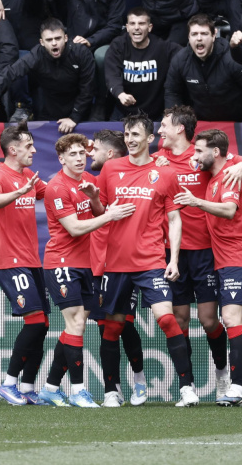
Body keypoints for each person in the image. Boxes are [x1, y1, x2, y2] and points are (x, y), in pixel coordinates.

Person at [155, 105, 242, 405]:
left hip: (207, 252)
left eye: (163, 125)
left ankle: (222, 376)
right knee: (179, 318)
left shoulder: (205, 154)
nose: (159, 130)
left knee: (210, 320)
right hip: (174, 251)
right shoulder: (158, 160)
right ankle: (187, 387)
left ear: (179, 128)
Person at [94, 113, 199, 407]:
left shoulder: (165, 172)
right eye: (127, 135)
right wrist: (95, 201)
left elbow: (175, 218)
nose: (130, 140)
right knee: (112, 327)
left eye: (136, 135)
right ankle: (112, 390)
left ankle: (187, 388)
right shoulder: (111, 169)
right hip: (115, 263)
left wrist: (174, 259)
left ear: (150, 139)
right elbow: (100, 208)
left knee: (167, 319)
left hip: (151, 260)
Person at [174, 129, 242, 407]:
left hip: (236, 255)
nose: (194, 157)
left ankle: (236, 387)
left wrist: (195, 202)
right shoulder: (218, 170)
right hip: (223, 257)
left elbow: (229, 210)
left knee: (230, 318)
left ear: (215, 152)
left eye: (198, 151)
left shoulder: (229, 174)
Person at [36, 133, 135, 408]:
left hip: (86, 264)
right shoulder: (56, 187)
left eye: (82, 153)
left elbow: (97, 213)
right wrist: (109, 215)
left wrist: (95, 201)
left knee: (75, 326)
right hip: (61, 262)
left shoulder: (89, 182)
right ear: (61, 158)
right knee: (76, 324)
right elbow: (75, 228)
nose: (79, 158)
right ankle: (78, 390)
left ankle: (50, 388)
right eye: (73, 154)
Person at [0, 121, 50, 406]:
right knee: (35, 322)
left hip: (32, 260)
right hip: (10, 262)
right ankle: (8, 383)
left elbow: (55, 192)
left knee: (44, 323)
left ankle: (26, 387)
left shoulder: (29, 178)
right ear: (12, 150)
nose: (34, 150)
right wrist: (20, 191)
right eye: (28, 146)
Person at [87, 129, 148, 407]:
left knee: (124, 325)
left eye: (94, 149)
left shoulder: (130, 176)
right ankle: (112, 389)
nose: (89, 154)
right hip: (95, 266)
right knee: (105, 328)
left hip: (124, 265)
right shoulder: (89, 181)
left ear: (110, 154)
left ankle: (140, 381)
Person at [165, 14, 242, 147]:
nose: (199, 38)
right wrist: (175, 125)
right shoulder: (180, 60)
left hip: (239, 125)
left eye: (204, 33)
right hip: (202, 127)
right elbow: (172, 92)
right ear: (188, 37)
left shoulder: (232, 58)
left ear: (214, 35)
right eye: (194, 34)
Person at [0, 17, 95, 134]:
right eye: (49, 40)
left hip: (81, 107)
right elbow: (11, 72)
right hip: (50, 105)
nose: (54, 43)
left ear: (66, 38)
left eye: (58, 38)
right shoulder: (36, 55)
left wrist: (74, 117)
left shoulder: (81, 53)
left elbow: (88, 88)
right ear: (42, 42)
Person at [104, 7, 181, 121]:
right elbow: (111, 75)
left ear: (149, 27)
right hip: (123, 113)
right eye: (132, 23)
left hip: (155, 115)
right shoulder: (118, 45)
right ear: (127, 27)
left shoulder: (163, 47)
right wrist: (120, 94)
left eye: (141, 23)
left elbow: (187, 54)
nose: (136, 27)